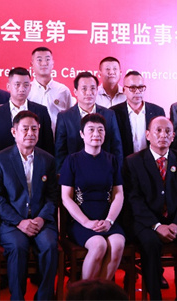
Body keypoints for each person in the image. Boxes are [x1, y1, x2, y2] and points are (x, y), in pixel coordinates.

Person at [123, 116, 177, 300]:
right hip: (146, 223)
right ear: (148, 135)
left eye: (167, 131)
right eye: (158, 130)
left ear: (173, 136)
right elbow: (134, 199)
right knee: (150, 243)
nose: (163, 135)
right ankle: (155, 296)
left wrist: (176, 224)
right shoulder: (133, 162)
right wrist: (157, 226)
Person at [0, 111, 59, 301]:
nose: (30, 133)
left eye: (34, 129)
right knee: (18, 246)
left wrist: (41, 218)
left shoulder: (48, 160)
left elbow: (52, 196)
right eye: (25, 129)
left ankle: (44, 297)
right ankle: (17, 297)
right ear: (14, 132)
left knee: (49, 245)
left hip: (41, 220)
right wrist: (19, 222)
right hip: (11, 222)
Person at [61, 113, 126, 281]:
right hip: (81, 221)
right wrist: (86, 222)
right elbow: (66, 198)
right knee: (98, 245)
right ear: (82, 134)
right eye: (91, 130)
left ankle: (101, 291)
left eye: (100, 130)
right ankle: (85, 291)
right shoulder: (72, 160)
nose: (96, 134)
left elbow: (118, 194)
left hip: (107, 219)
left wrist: (109, 220)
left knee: (118, 244)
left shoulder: (112, 160)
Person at [55, 71, 123, 173]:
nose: (89, 93)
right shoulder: (65, 117)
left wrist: (117, 173)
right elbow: (60, 152)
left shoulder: (109, 115)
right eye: (84, 89)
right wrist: (62, 175)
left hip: (104, 171)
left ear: (97, 90)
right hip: (75, 173)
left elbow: (117, 148)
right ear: (75, 91)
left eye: (92, 88)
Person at [0, 67, 54, 155]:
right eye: (17, 84)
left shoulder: (41, 111)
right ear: (8, 86)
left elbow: (48, 145)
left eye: (26, 85)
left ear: (30, 87)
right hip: (4, 162)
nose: (22, 89)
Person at [111, 71, 165, 158]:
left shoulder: (157, 111)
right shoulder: (113, 113)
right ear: (124, 90)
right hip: (124, 162)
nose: (137, 92)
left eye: (140, 87)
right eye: (132, 88)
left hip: (151, 162)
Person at [27, 47, 73, 132]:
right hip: (32, 137)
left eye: (47, 59)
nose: (44, 63)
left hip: (58, 137)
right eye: (39, 60)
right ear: (32, 64)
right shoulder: (27, 90)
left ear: (53, 63)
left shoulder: (63, 90)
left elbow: (70, 118)